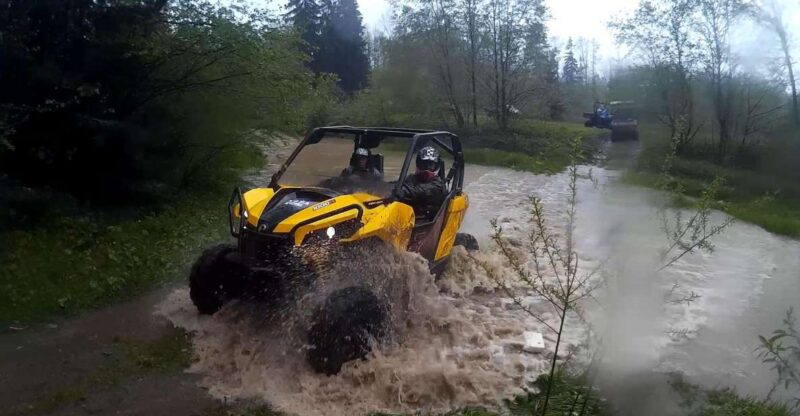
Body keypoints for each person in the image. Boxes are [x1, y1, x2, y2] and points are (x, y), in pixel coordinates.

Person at [395, 146, 447, 218]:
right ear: (418, 164)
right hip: (408, 215)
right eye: (423, 164)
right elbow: (397, 185)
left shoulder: (438, 185)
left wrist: (404, 192)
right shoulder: (412, 178)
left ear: (437, 166)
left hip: (425, 219)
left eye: (431, 165)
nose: (426, 169)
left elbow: (420, 190)